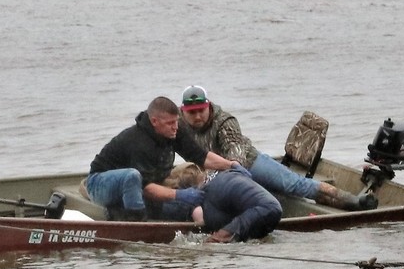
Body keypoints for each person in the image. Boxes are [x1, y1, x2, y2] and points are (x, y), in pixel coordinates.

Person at [177, 85, 378, 211]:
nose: (197, 117)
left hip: (248, 163)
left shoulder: (225, 121)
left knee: (294, 185)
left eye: (200, 111)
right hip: (213, 173)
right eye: (191, 112)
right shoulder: (176, 124)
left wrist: (216, 178)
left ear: (208, 106)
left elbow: (236, 156)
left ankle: (353, 201)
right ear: (182, 111)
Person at [88, 96, 237, 221]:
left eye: (177, 121)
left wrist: (231, 165)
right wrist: (179, 195)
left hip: (142, 186)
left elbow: (201, 156)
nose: (175, 127)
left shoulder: (174, 131)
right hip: (100, 183)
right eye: (170, 123)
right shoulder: (138, 142)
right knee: (132, 177)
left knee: (184, 201)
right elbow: (145, 188)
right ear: (154, 122)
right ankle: (133, 221)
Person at [162, 162, 282, 243]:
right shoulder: (221, 182)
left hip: (261, 208)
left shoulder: (212, 191)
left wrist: (222, 235)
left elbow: (271, 208)